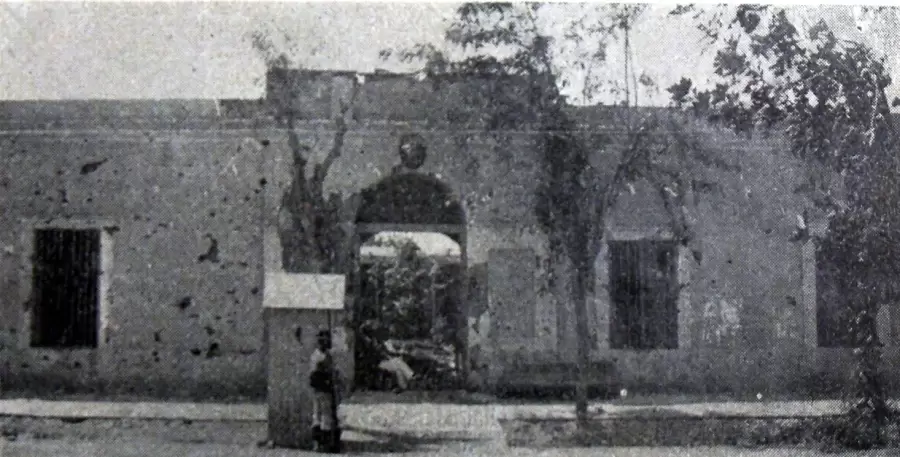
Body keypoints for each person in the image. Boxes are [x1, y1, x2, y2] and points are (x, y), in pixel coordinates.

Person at [307, 328, 341, 453]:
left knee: (317, 416)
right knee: (325, 417)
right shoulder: (323, 357)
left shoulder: (316, 355)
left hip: (318, 390)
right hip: (324, 389)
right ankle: (324, 445)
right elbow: (323, 374)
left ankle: (318, 444)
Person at [358, 320, 416, 392]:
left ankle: (404, 386)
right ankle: (411, 377)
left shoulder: (377, 341)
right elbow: (382, 353)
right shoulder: (372, 343)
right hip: (379, 363)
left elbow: (386, 352)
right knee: (398, 361)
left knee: (398, 369)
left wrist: (397, 354)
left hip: (384, 362)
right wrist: (399, 354)